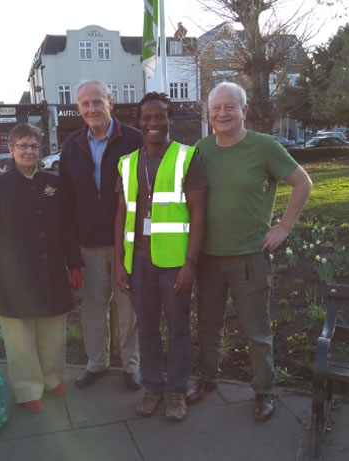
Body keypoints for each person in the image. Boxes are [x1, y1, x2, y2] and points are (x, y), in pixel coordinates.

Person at [186, 82, 312, 422]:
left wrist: (284, 227)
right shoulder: (199, 150)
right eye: (216, 108)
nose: (223, 113)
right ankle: (208, 379)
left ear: (245, 111)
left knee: (256, 330)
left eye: (230, 107)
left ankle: (263, 391)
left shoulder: (265, 147)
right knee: (209, 325)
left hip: (249, 256)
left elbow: (303, 183)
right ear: (208, 113)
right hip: (208, 257)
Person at [0, 123, 84, 413]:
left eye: (34, 146)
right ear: (11, 150)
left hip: (50, 272)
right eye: (22, 145)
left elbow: (67, 228)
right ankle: (27, 388)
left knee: (53, 332)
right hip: (12, 276)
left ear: (40, 150)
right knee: (19, 336)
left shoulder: (54, 183)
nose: (28, 151)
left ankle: (52, 378)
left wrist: (74, 263)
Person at [114, 92, 206, 421]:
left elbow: (198, 214)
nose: (153, 123)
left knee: (179, 327)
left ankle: (177, 391)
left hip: (174, 263)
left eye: (160, 116)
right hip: (139, 262)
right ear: (139, 122)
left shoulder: (186, 157)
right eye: (147, 118)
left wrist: (190, 264)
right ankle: (152, 386)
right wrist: (119, 264)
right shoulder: (127, 163)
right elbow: (121, 214)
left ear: (170, 119)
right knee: (147, 328)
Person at [60, 80, 144, 390]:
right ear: (79, 108)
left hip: (128, 242)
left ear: (110, 102)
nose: (92, 108)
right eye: (85, 103)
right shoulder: (72, 145)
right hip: (89, 244)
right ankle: (96, 362)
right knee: (93, 307)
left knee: (129, 308)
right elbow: (66, 201)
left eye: (97, 101)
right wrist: (70, 251)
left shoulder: (133, 140)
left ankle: (131, 366)